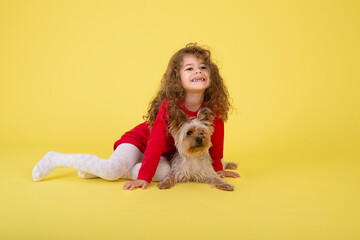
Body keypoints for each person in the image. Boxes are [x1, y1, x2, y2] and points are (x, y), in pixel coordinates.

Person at [32, 43, 240, 190]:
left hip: (163, 155)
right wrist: (143, 178)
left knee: (165, 173)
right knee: (113, 170)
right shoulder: (170, 106)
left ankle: (93, 171)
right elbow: (157, 140)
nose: (198, 71)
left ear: (211, 74)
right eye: (190, 68)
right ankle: (56, 158)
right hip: (140, 142)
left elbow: (217, 137)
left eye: (203, 67)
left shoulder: (213, 106)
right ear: (178, 78)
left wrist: (217, 168)